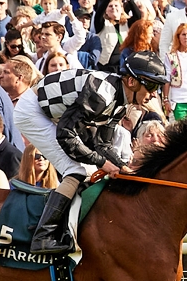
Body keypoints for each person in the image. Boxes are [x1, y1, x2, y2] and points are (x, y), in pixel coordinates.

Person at [14, 51, 168, 258]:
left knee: (86, 171)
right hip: (33, 111)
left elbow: (103, 145)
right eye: (151, 86)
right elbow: (65, 135)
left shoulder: (120, 103)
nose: (153, 94)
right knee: (75, 170)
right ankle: (43, 236)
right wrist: (103, 163)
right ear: (131, 81)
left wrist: (123, 167)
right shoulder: (102, 95)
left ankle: (69, 228)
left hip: (51, 112)